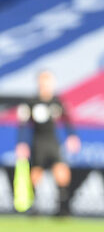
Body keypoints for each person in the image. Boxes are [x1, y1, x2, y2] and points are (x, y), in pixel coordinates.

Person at [14, 70, 80, 215]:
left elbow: (67, 121)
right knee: (36, 173)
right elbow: (23, 125)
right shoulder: (31, 103)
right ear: (38, 83)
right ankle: (34, 207)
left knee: (61, 171)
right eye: (42, 82)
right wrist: (21, 143)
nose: (45, 85)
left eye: (48, 82)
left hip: (53, 141)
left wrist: (72, 136)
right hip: (38, 142)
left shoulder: (57, 102)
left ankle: (62, 207)